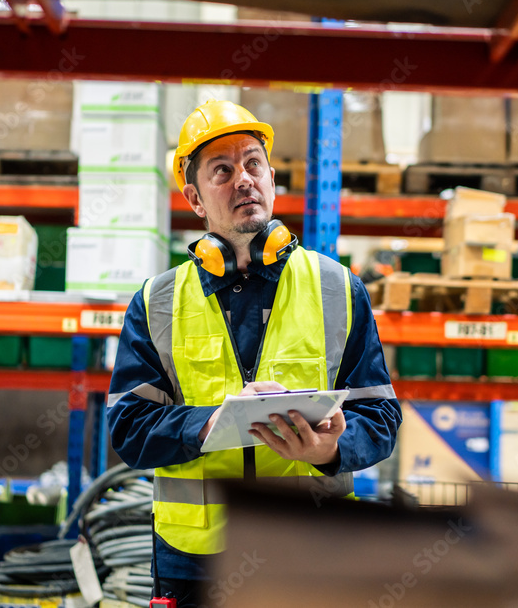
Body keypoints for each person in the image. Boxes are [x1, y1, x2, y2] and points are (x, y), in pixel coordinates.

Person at [107, 99, 401, 607]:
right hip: (194, 560)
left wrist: (330, 449)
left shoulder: (338, 288)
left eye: (253, 163)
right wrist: (208, 424)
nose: (243, 178)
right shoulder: (157, 303)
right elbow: (128, 429)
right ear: (195, 199)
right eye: (222, 170)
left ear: (270, 178)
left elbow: (381, 416)